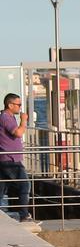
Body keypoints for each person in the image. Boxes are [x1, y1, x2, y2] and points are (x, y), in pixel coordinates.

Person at [0, 93, 31, 222]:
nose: (20, 107)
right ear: (10, 105)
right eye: (18, 105)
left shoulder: (9, 117)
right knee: (25, 185)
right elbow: (18, 133)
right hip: (10, 160)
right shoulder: (6, 117)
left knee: (2, 188)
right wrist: (23, 120)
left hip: (7, 158)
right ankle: (24, 215)